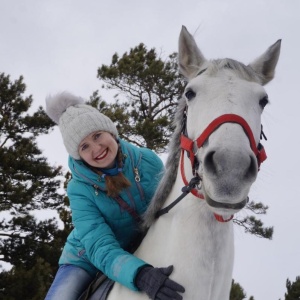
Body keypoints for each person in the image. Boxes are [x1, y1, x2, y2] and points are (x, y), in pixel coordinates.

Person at [44, 92, 185, 300]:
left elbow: (171, 205)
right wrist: (140, 274)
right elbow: (99, 246)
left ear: (110, 131)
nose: (96, 148)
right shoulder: (78, 189)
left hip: (143, 241)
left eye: (97, 136)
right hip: (86, 258)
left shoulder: (146, 160)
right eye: (84, 147)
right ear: (79, 156)